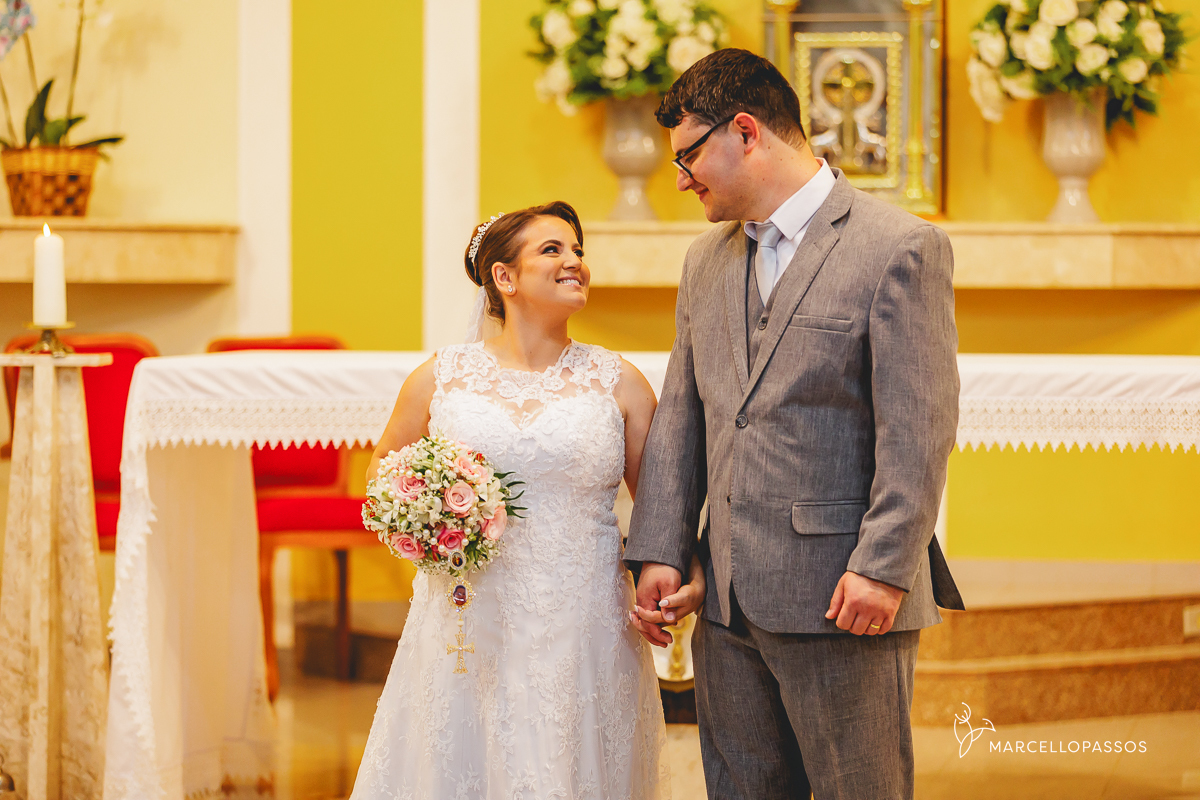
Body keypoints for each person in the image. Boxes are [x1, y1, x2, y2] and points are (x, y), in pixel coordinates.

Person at [624, 49, 966, 800]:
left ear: (746, 132)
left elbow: (918, 429)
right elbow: (683, 413)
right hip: (727, 601)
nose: (681, 179)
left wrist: (883, 566)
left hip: (844, 595)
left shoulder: (898, 246)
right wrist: (661, 549)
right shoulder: (705, 261)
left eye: (688, 156)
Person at [350, 200, 703, 799]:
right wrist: (432, 520)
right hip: (468, 616)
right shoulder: (441, 378)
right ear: (504, 277)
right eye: (552, 250)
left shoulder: (619, 382)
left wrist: (679, 575)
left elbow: (661, 505)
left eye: (578, 251)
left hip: (584, 620)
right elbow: (382, 477)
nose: (575, 262)